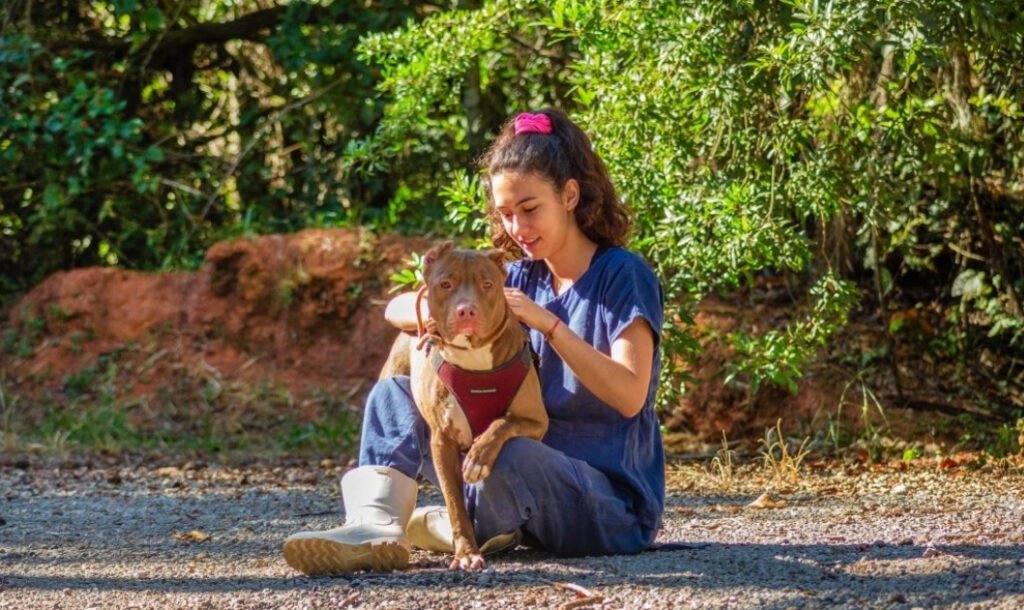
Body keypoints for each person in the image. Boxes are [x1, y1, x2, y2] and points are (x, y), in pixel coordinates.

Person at [283, 108, 665, 575]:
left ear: (569, 195)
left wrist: (549, 326)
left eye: (529, 210)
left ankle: (453, 525)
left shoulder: (623, 275)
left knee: (513, 450)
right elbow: (396, 308)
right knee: (395, 393)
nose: (517, 229)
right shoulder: (517, 274)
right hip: (508, 479)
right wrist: (426, 312)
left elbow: (630, 395)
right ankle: (375, 526)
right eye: (505, 215)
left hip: (605, 505)